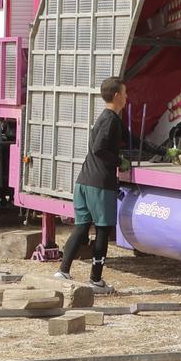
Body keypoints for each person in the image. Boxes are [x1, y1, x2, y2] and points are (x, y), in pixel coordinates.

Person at [58, 76, 129, 290]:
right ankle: (96, 280)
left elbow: (131, 138)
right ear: (117, 96)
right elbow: (99, 149)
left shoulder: (107, 118)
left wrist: (163, 151)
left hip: (84, 181)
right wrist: (119, 161)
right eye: (125, 93)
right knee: (103, 230)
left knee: (81, 227)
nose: (127, 97)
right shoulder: (110, 120)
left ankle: (62, 271)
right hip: (100, 184)